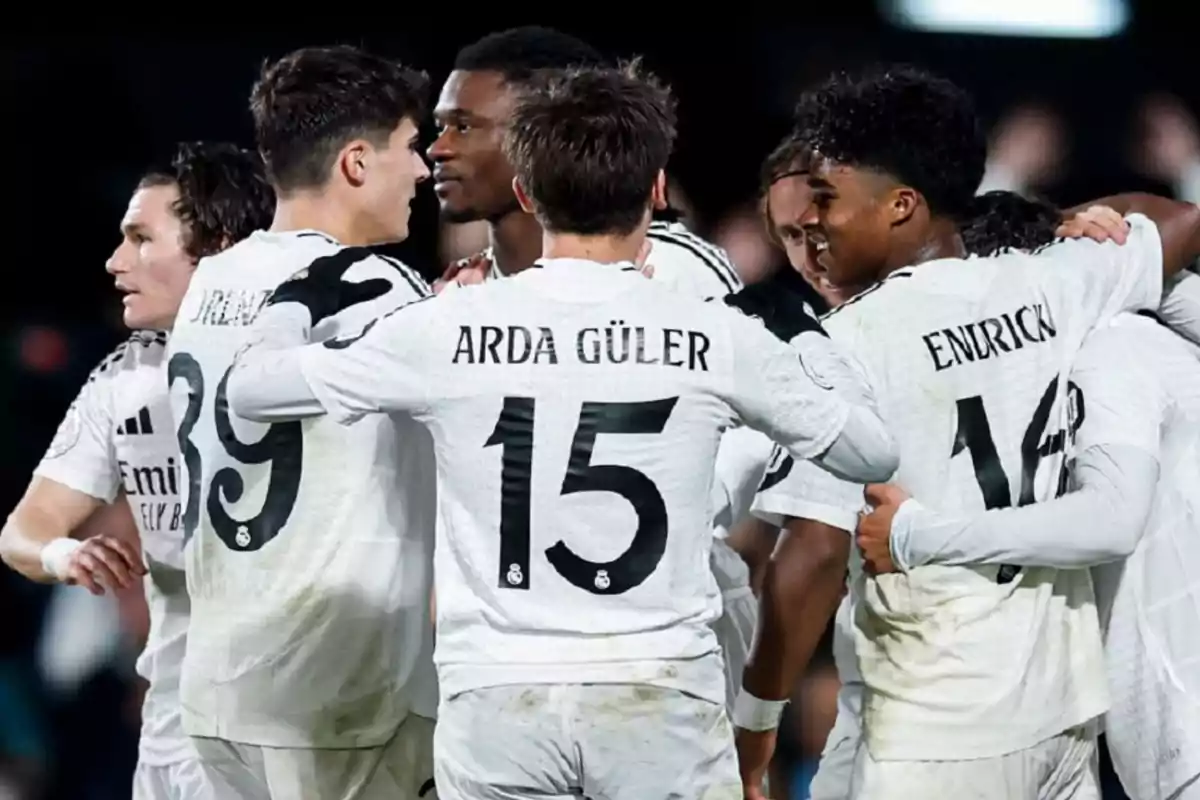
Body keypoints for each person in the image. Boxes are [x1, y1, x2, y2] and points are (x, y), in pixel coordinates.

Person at [225, 62, 897, 800]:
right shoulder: (715, 334)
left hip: (499, 698)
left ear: (523, 192)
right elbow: (872, 450)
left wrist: (296, 301)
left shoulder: (448, 326)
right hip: (658, 695)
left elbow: (251, 391)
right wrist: (803, 337)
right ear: (655, 190)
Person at [762, 64, 1200, 799]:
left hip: (970, 726)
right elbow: (1176, 223)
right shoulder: (1086, 301)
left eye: (826, 208)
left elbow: (1112, 519)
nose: (814, 238)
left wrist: (918, 535)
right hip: (1064, 724)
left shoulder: (1101, 346)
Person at [429, 25, 762, 712]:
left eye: (464, 125)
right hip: (522, 656)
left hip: (660, 656)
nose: (439, 147)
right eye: (439, 126)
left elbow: (764, 437)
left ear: (538, 133)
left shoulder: (680, 273)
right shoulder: (461, 299)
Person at [857, 196, 1200, 800]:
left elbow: (1113, 519)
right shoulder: (1156, 339)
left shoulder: (1111, 353)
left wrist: (917, 535)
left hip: (1186, 723)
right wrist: (1140, 269)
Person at [165, 46, 438, 800]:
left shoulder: (211, 279)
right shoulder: (371, 285)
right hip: (338, 694)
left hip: (220, 684)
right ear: (356, 161)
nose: (422, 172)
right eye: (410, 148)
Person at [0, 141, 275, 800]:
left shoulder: (319, 361)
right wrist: (66, 554)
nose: (115, 261)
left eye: (140, 239)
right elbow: (23, 531)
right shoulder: (123, 380)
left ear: (217, 246)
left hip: (293, 729)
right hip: (172, 734)